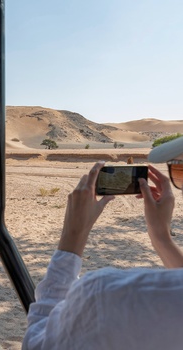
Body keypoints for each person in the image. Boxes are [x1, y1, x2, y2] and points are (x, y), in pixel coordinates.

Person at [22, 136, 183, 350]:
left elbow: (38, 342)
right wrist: (161, 237)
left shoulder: (105, 295)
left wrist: (72, 238)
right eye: (179, 172)